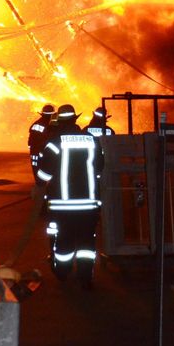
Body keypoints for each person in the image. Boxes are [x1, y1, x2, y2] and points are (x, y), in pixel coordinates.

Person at [36, 103, 105, 288]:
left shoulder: (54, 143)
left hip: (62, 206)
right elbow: (99, 168)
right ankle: (85, 278)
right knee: (87, 241)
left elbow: (43, 175)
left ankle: (62, 272)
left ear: (59, 122)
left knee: (64, 240)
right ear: (75, 120)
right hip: (89, 205)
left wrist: (41, 186)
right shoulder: (91, 140)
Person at [26, 104, 56, 178]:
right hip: (44, 153)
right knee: (46, 172)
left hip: (34, 153)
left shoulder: (36, 124)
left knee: (37, 172)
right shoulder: (51, 126)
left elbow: (30, 140)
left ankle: (39, 185)